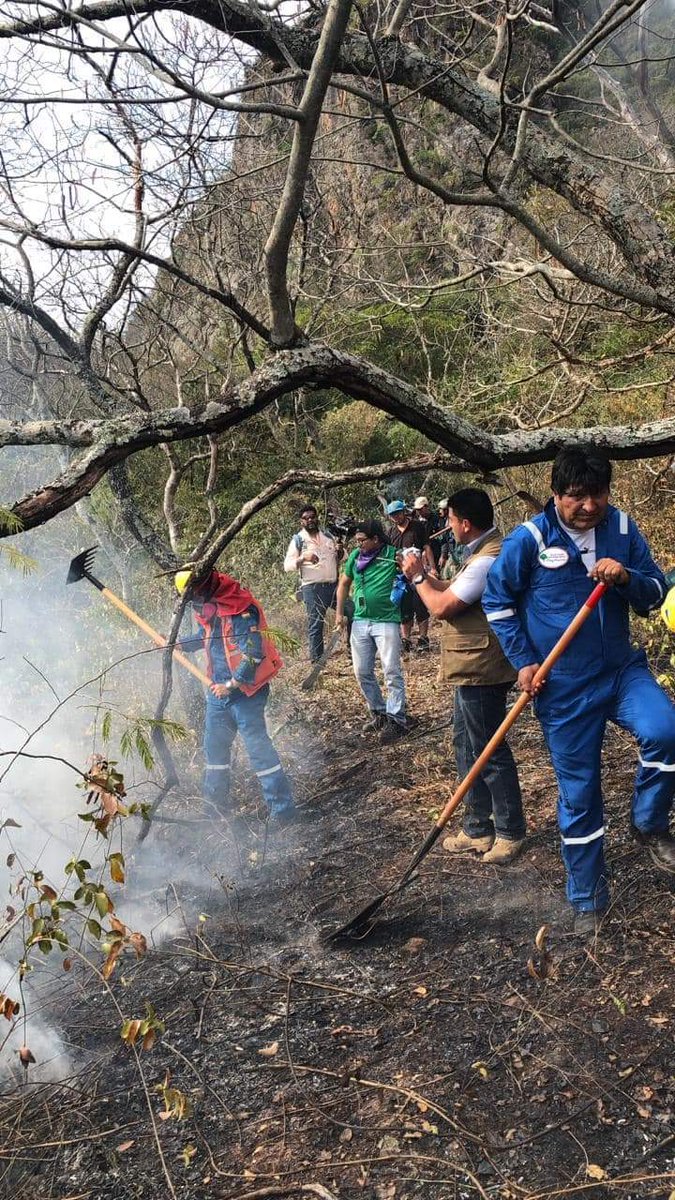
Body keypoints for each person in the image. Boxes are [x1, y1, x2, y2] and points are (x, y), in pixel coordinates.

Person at [482, 447, 675, 935]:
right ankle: (588, 897)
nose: (588, 505)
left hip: (620, 671)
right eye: (576, 496)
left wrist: (627, 577)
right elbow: (497, 601)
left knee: (667, 731)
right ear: (555, 494)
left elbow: (655, 593)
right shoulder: (528, 540)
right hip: (564, 686)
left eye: (597, 494)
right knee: (580, 792)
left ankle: (649, 823)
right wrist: (524, 661)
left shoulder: (624, 530)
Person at [402, 489, 525, 864]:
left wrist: (418, 579)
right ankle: (477, 828)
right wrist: (423, 575)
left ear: (465, 523)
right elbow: (453, 591)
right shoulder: (479, 554)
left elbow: (442, 607)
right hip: (471, 665)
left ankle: (509, 831)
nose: (448, 527)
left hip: (482, 667)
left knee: (488, 749)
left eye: (451, 520)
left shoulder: (488, 560)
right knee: (467, 745)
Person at [175, 567, 295, 826]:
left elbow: (253, 653)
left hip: (246, 691)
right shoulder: (209, 608)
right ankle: (214, 809)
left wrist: (232, 684)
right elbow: (203, 638)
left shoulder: (240, 607)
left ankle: (282, 810)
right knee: (214, 748)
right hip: (218, 692)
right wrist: (177, 643)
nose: (194, 603)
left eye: (194, 596)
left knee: (258, 748)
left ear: (204, 587)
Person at [335, 518, 411, 744]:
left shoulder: (392, 554)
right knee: (362, 671)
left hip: (386, 620)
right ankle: (378, 711)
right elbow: (344, 584)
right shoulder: (356, 558)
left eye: (362, 540)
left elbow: (411, 573)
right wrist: (340, 613)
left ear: (376, 539)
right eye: (356, 540)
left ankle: (397, 718)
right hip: (360, 620)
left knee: (391, 670)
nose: (358, 545)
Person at [283, 504, 352, 662]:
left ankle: (352, 650)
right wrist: (303, 558)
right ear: (301, 522)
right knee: (316, 624)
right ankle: (317, 661)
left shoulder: (328, 536)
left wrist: (340, 550)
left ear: (317, 518)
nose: (310, 520)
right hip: (312, 588)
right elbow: (287, 566)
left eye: (312, 517)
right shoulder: (298, 540)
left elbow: (343, 557)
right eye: (306, 518)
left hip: (333, 586)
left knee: (352, 611)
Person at [386, 500, 435, 653]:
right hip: (401, 576)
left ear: (404, 512)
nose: (396, 517)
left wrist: (432, 568)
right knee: (404, 607)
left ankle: (423, 638)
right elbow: (389, 555)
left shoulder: (417, 527)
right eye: (393, 515)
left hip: (419, 572)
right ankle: (405, 639)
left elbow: (426, 547)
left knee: (420, 604)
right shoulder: (390, 533)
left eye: (398, 513)